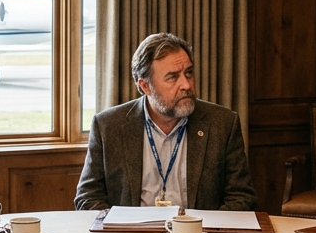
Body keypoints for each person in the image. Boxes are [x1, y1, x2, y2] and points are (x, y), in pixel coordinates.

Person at [76, 33, 257, 211]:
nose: (186, 84)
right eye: (172, 77)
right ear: (145, 86)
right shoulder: (109, 126)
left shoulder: (222, 124)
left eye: (188, 73)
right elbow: (88, 197)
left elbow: (242, 197)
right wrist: (118, 229)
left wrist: (204, 230)